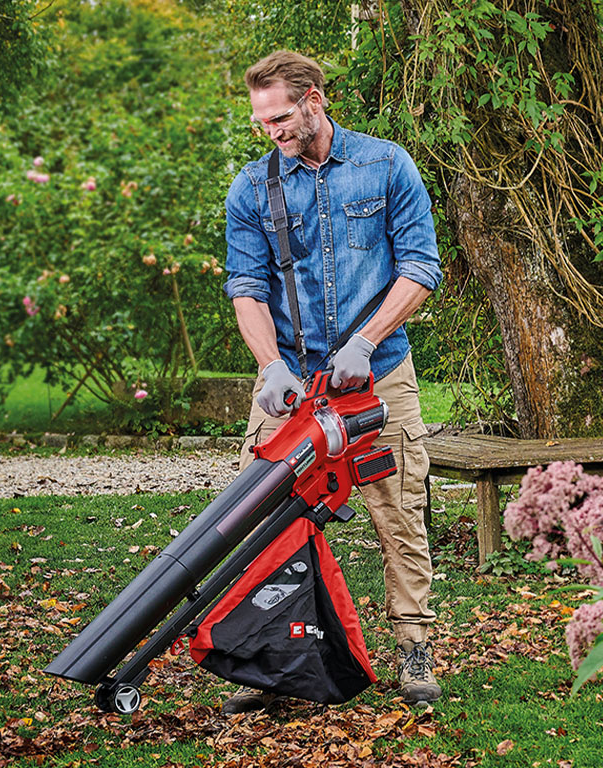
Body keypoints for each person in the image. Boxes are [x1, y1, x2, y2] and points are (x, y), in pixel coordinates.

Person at [221, 50, 443, 713]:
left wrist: (366, 341)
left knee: (399, 509)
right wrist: (270, 365)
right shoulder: (251, 189)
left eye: (280, 116)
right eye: (261, 122)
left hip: (377, 377)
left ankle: (413, 652)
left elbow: (421, 266)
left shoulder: (385, 165)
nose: (272, 132)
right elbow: (247, 288)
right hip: (292, 384)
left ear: (314, 98)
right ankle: (273, 660)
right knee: (258, 521)